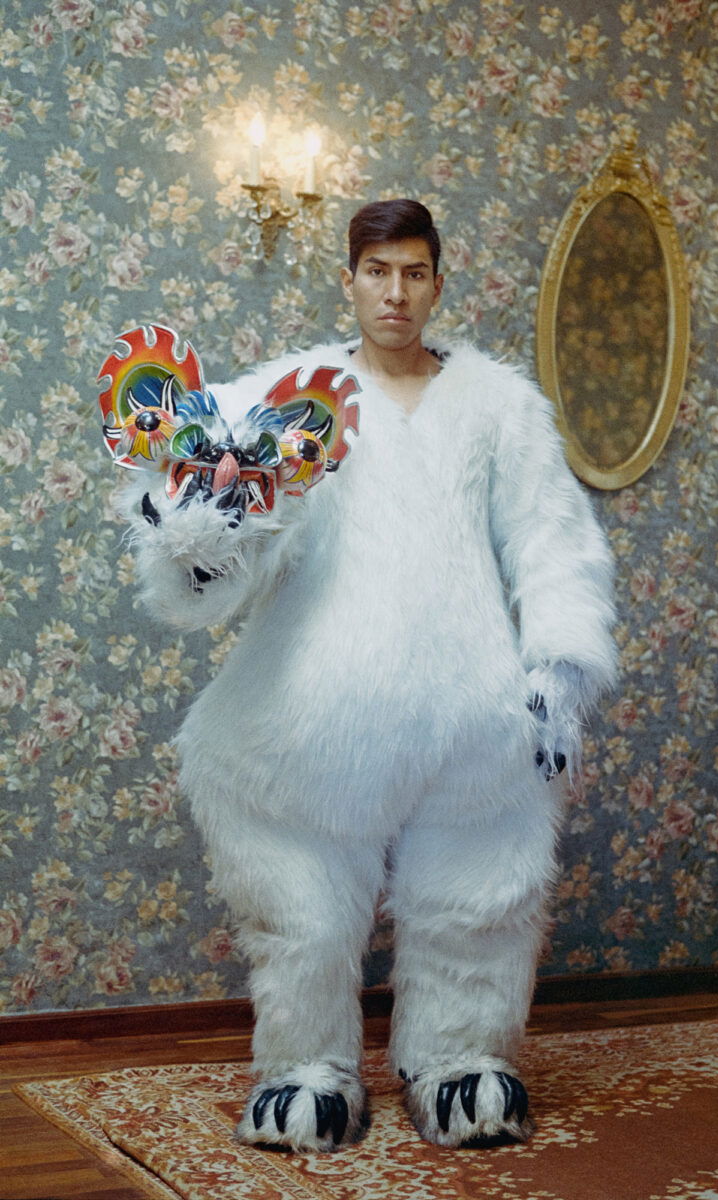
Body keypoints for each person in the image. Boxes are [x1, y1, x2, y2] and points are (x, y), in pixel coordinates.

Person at [126, 198, 616, 1151]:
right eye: (377, 272)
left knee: (484, 893)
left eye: (415, 273)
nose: (396, 292)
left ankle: (460, 1057)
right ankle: (307, 1065)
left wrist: (561, 664)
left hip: (470, 711)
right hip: (313, 711)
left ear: (438, 281)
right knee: (302, 905)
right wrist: (202, 538)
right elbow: (220, 561)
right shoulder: (287, 398)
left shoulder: (498, 405)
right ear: (347, 279)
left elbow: (553, 538)